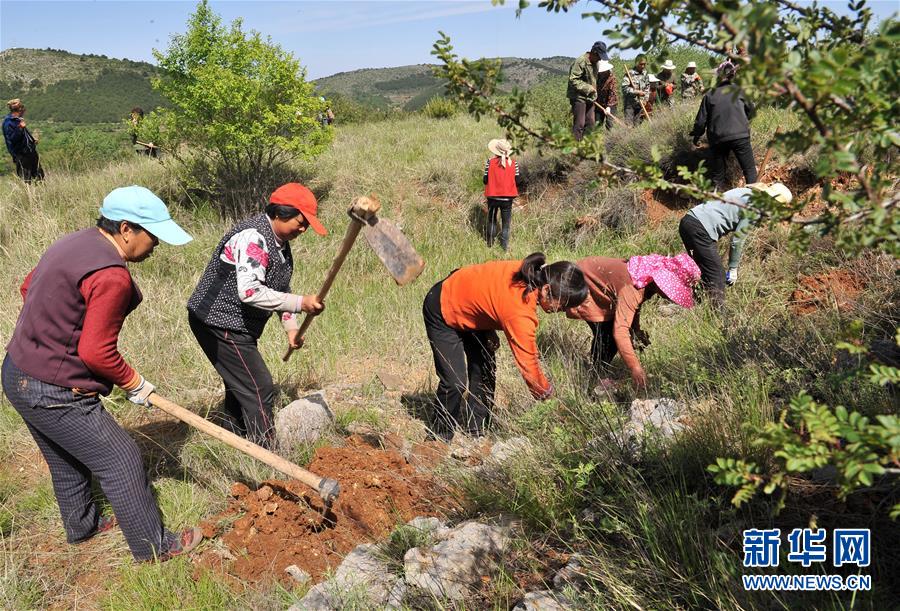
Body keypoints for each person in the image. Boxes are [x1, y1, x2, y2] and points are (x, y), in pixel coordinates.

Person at [2, 186, 201, 562]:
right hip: (52, 390)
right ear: (126, 229)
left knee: (65, 457)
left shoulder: (74, 243)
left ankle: (83, 527)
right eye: (152, 235)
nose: (157, 244)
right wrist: (134, 384)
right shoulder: (112, 276)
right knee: (121, 458)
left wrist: (48, 336)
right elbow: (96, 352)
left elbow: (28, 287)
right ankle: (154, 548)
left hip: (17, 371)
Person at [187, 183, 326, 448]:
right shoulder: (254, 237)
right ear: (281, 212)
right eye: (300, 222)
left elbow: (280, 289)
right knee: (259, 386)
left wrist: (292, 329)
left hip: (235, 324)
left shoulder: (281, 243)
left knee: (240, 384)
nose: (303, 230)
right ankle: (266, 452)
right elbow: (250, 292)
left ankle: (234, 441)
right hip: (217, 321)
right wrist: (302, 303)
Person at [423, 253, 588, 439]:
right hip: (442, 307)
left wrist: (488, 327)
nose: (562, 311)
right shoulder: (520, 310)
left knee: (485, 371)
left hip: (467, 305)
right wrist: (549, 400)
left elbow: (489, 292)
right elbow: (529, 366)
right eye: (563, 305)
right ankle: (439, 436)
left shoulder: (529, 271)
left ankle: (476, 431)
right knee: (455, 381)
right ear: (547, 289)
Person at [567, 254, 700, 389]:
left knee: (607, 335)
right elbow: (620, 331)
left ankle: (598, 373)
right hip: (581, 283)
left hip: (591, 276)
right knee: (607, 336)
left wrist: (635, 330)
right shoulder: (633, 287)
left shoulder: (646, 279)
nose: (670, 297)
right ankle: (597, 377)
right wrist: (635, 368)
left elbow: (633, 307)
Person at [679, 182, 792, 307]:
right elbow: (738, 240)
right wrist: (733, 268)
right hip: (700, 229)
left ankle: (690, 304)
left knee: (706, 271)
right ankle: (717, 314)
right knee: (718, 275)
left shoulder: (746, 192)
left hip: (688, 221)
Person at [690, 61, 757, 189]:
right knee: (749, 171)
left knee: (718, 176)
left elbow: (700, 122)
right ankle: (753, 198)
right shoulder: (741, 91)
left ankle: (716, 199)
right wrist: (742, 120)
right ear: (734, 75)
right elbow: (752, 112)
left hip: (718, 139)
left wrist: (696, 136)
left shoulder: (709, 95)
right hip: (740, 137)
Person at [482, 138, 520, 251]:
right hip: (507, 199)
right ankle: (504, 247)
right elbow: (518, 181)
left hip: (493, 197)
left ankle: (490, 245)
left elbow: (485, 180)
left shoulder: (490, 162)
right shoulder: (514, 163)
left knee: (492, 220)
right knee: (506, 224)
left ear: (496, 151)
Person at [567, 41, 607, 140]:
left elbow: (594, 80)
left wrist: (594, 92)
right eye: (599, 56)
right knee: (579, 124)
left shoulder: (596, 63)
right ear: (594, 52)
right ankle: (576, 147)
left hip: (590, 97)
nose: (600, 59)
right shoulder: (581, 61)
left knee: (590, 124)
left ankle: (587, 146)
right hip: (578, 97)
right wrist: (589, 88)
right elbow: (573, 80)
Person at [3, 98, 44, 182]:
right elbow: (13, 139)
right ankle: (28, 191)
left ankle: (40, 189)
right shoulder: (9, 122)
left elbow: (22, 136)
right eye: (23, 109)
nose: (24, 111)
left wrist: (32, 141)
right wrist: (20, 128)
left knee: (39, 176)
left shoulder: (18, 120)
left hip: (30, 152)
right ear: (20, 110)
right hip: (21, 155)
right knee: (26, 179)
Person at [622, 55, 651, 125]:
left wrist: (645, 99)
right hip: (629, 105)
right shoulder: (629, 73)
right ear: (636, 63)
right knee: (629, 126)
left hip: (640, 104)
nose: (643, 66)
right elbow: (624, 89)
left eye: (644, 64)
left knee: (637, 126)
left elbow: (647, 87)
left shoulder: (645, 74)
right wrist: (636, 92)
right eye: (641, 64)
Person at [595, 60, 619, 130]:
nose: (602, 73)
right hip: (599, 103)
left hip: (611, 103)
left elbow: (612, 93)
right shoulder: (596, 76)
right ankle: (597, 136)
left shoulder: (612, 78)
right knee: (597, 124)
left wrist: (608, 107)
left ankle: (610, 136)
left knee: (609, 124)